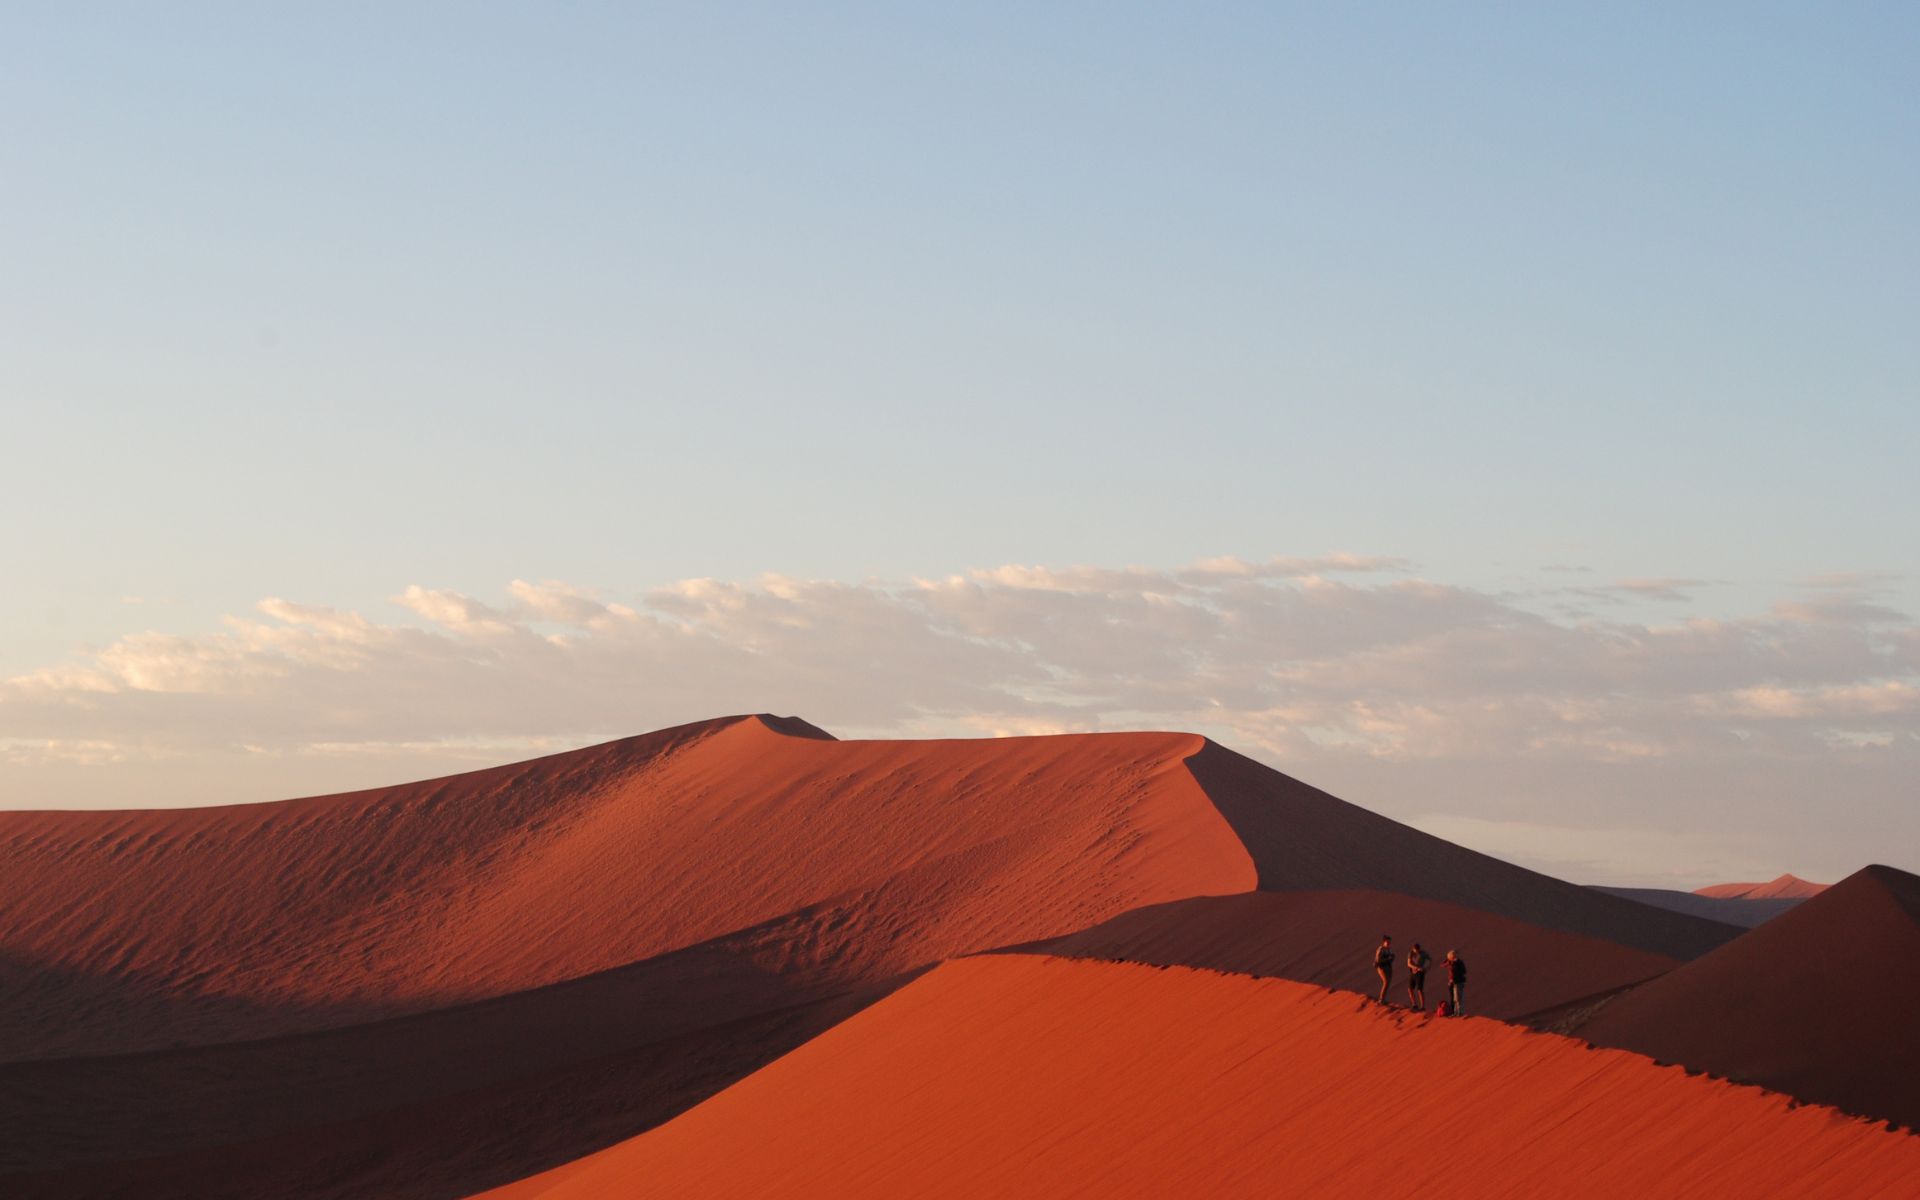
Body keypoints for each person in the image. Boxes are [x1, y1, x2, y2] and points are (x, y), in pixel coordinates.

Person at [1406, 942, 1431, 1010]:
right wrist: (1415, 967)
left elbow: (1430, 960)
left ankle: (1422, 1006)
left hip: (1420, 973)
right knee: (1410, 989)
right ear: (1413, 949)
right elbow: (1408, 963)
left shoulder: (1423, 953)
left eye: (1418, 949)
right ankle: (1414, 1004)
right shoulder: (1410, 953)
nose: (1417, 951)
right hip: (1413, 973)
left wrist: (1426, 968)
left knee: (1419, 990)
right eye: (1415, 950)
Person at [1446, 949, 1467, 1016]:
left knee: (1458, 998)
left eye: (1449, 958)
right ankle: (1456, 1012)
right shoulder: (1456, 963)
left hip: (1458, 982)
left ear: (1452, 957)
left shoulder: (1457, 963)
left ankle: (1459, 1012)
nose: (1449, 959)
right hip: (1457, 982)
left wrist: (1452, 979)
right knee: (1456, 998)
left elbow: (1461, 972)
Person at [1373, 935, 1393, 1004]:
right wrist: (1388, 958)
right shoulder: (1381, 949)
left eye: (1389, 942)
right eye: (1387, 942)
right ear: (1384, 942)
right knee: (1386, 982)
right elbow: (1378, 960)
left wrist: (1391, 958)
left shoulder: (1388, 949)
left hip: (1388, 967)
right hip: (1381, 968)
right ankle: (1381, 999)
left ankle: (1383, 999)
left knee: (1387, 983)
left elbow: (1390, 958)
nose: (1388, 943)